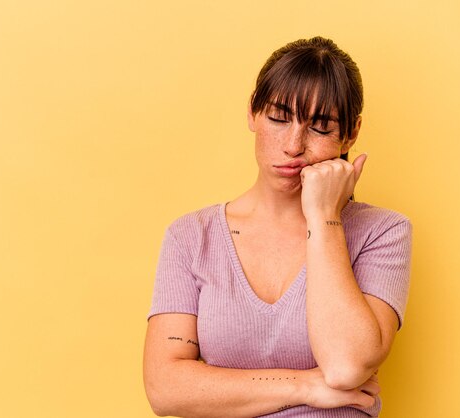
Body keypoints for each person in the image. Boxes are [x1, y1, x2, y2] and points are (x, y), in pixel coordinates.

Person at [143, 36, 412, 418]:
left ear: (350, 135)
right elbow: (165, 389)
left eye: (320, 128)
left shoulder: (383, 232)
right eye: (279, 118)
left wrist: (324, 217)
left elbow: (346, 366)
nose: (293, 145)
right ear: (253, 112)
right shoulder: (191, 236)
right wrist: (306, 386)